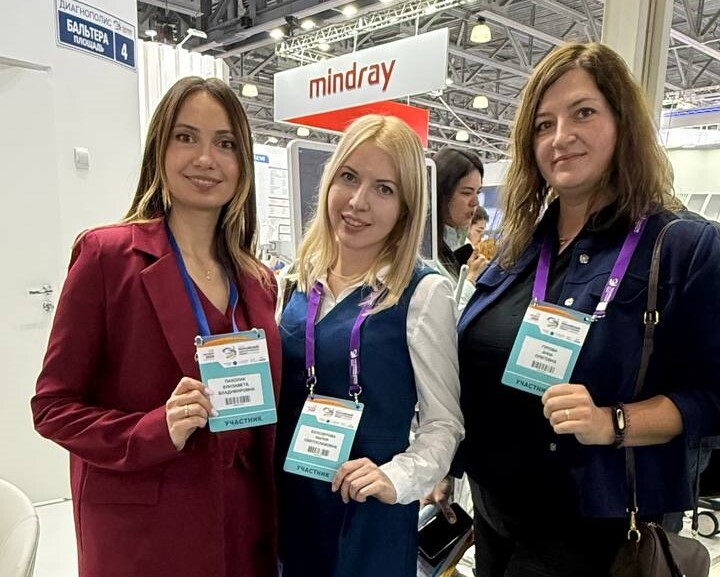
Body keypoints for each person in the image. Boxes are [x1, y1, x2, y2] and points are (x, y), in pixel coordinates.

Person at [454, 42, 720, 577]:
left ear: (623, 122)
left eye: (583, 113)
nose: (561, 137)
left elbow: (713, 395)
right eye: (543, 124)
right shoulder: (518, 249)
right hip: (494, 510)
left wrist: (612, 421)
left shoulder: (683, 247)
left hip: (595, 527)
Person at [32, 77, 281, 577]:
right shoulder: (107, 257)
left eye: (225, 143)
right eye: (186, 137)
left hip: (242, 530)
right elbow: (53, 408)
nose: (206, 159)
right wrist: (153, 429)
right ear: (159, 149)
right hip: (147, 537)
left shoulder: (258, 281)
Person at [275, 114, 464, 577]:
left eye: (384, 189)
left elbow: (444, 424)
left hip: (369, 516)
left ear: (406, 206)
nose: (358, 202)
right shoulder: (294, 281)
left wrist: (395, 478)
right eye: (349, 177)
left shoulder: (423, 292)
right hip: (290, 505)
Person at [432, 146, 488, 305]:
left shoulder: (462, 249)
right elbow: (441, 315)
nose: (475, 202)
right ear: (442, 193)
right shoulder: (421, 254)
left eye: (478, 192)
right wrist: (470, 280)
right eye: (466, 192)